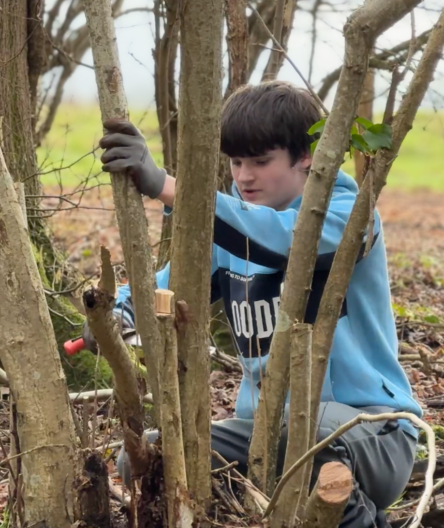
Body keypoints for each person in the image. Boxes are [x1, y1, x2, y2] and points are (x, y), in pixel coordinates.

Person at [90, 82, 419, 528]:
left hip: (372, 432)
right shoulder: (229, 233)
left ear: (307, 156)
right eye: (236, 161)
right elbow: (161, 290)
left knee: (300, 443)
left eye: (261, 162)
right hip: (265, 436)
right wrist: (113, 313)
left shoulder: (351, 215)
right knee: (148, 458)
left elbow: (284, 239)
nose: (244, 176)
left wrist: (166, 186)